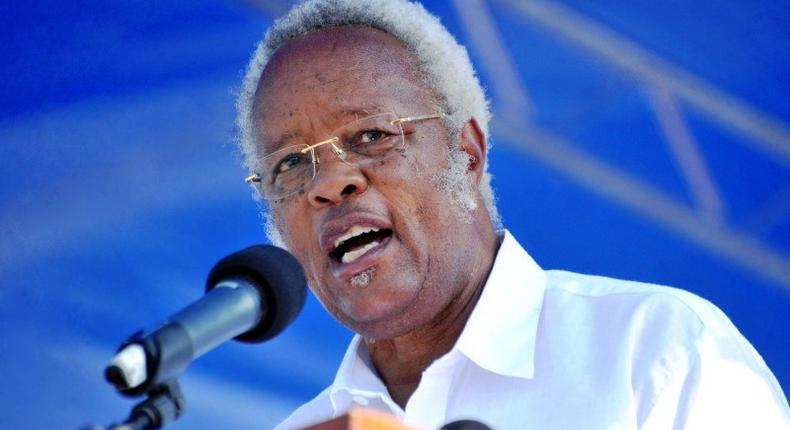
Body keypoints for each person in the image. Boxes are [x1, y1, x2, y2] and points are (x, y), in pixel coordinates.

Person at [234, 0, 790, 428]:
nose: (329, 183)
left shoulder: (654, 350)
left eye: (372, 135)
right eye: (288, 166)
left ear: (467, 153)